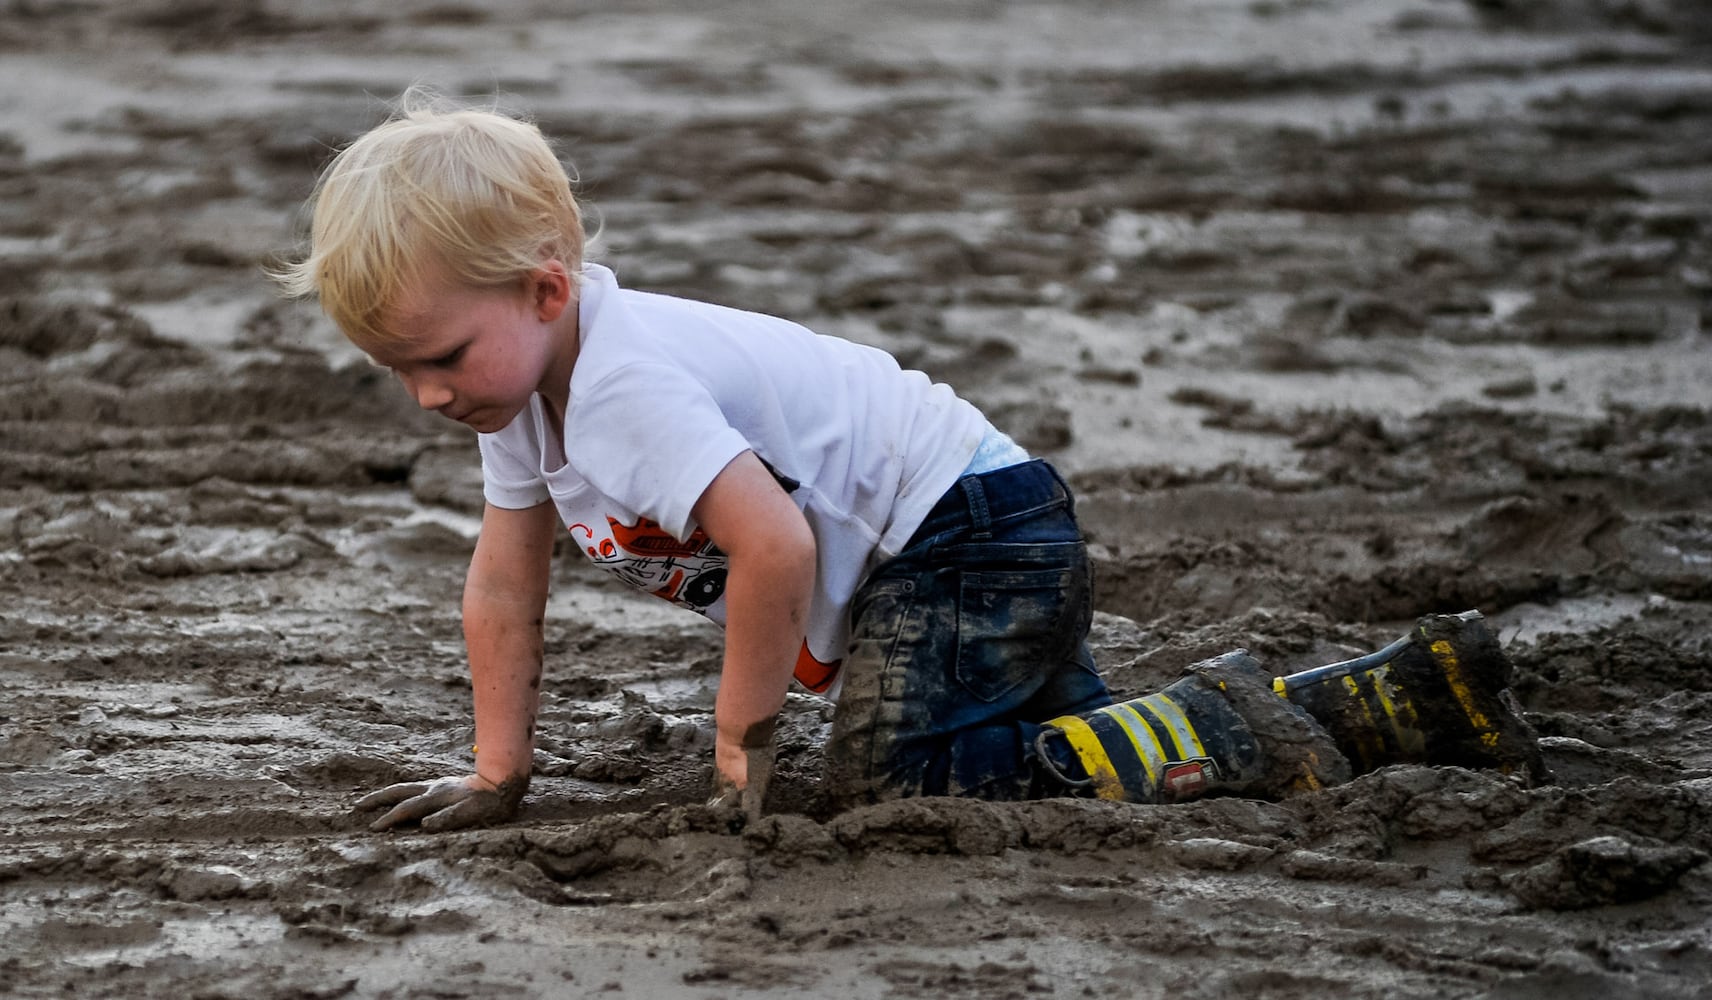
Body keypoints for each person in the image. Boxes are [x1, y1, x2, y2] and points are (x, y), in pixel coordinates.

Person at [273, 92, 1541, 832]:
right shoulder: (524, 400)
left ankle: (1256, 713)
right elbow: (504, 587)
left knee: (893, 786)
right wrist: (500, 777)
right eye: (399, 370)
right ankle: (1391, 701)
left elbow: (773, 547)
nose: (427, 394)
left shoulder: (618, 388)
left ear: (548, 288)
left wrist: (740, 765)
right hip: (962, 537)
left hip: (971, 535)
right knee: (1088, 756)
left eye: (440, 355)